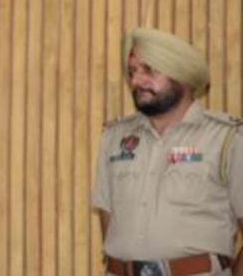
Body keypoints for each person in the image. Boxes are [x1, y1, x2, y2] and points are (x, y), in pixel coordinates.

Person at [93, 27, 243, 276]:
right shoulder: (115, 137)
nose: (136, 81)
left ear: (182, 74)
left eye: (149, 70)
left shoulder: (226, 139)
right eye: (132, 72)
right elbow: (108, 219)